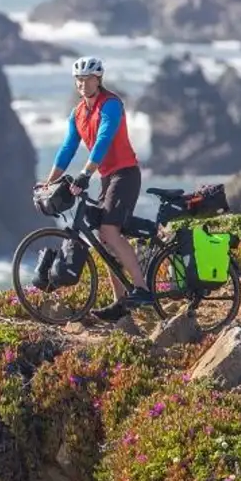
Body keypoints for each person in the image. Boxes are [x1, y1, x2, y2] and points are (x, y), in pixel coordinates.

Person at [39, 56, 153, 320]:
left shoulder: (110, 105)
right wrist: (49, 181)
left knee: (109, 231)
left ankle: (142, 289)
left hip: (125, 175)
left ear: (98, 79)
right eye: (78, 79)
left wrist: (84, 174)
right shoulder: (78, 113)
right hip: (106, 177)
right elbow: (67, 148)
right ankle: (120, 303)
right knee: (104, 239)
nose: (82, 84)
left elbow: (103, 141)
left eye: (87, 79)